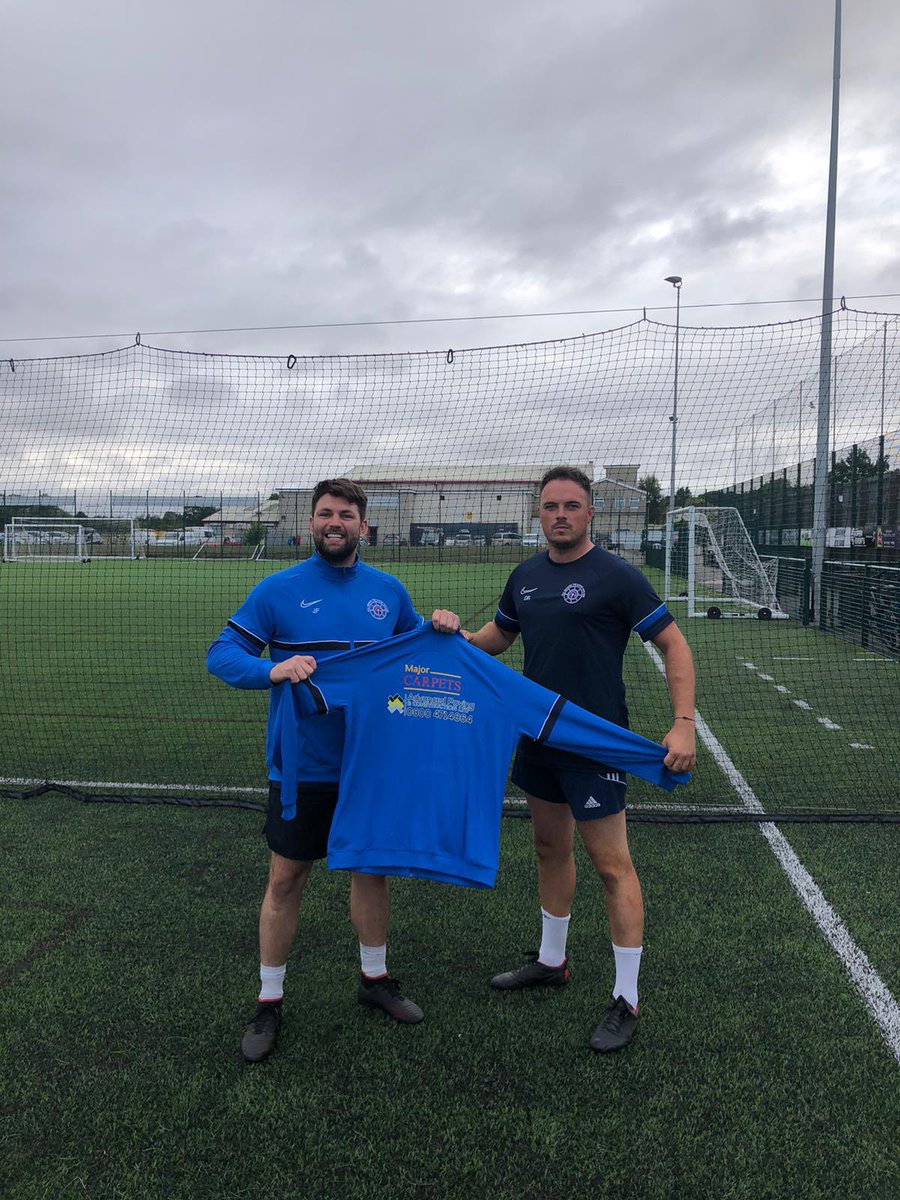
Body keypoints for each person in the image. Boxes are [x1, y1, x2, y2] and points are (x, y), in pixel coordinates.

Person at [207, 478, 459, 1062]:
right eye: (325, 514)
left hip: (370, 763)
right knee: (286, 879)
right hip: (303, 766)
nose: (335, 522)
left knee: (370, 870)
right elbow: (222, 654)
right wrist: (271, 671)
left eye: (346, 513)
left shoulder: (387, 592)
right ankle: (269, 1000)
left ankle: (375, 981)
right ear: (311, 524)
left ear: (362, 526)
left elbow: (416, 654)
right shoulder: (277, 590)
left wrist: (441, 628)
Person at [466, 466, 696, 1053]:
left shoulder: (617, 577)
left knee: (611, 865)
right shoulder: (525, 575)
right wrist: (449, 639)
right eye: (550, 506)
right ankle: (551, 960)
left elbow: (673, 644)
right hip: (537, 739)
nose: (560, 515)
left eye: (571, 505)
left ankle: (626, 998)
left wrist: (682, 724)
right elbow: (499, 635)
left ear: (590, 513)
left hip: (593, 742)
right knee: (548, 847)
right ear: (538, 515)